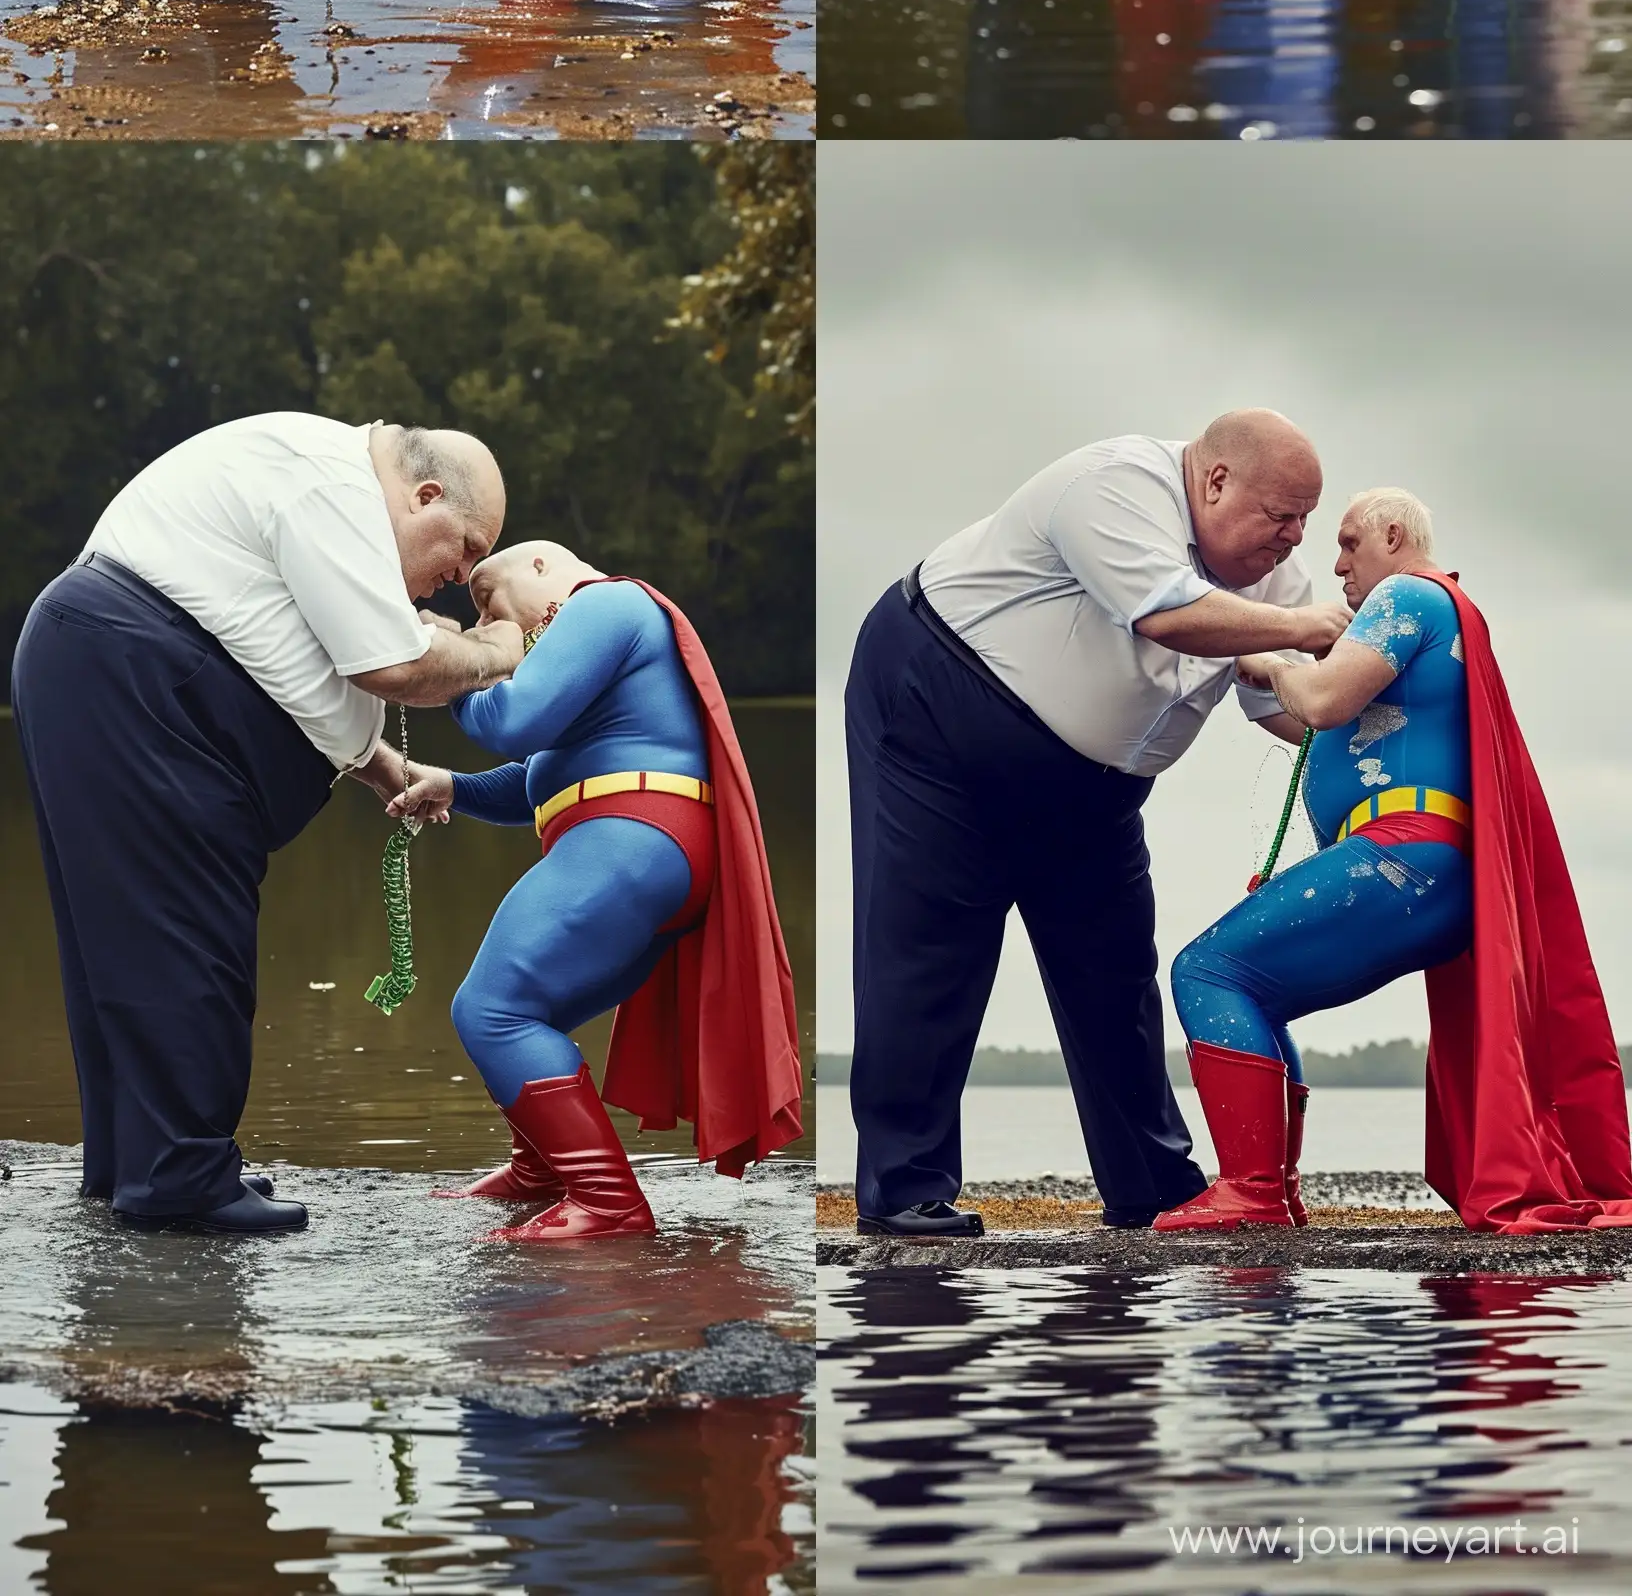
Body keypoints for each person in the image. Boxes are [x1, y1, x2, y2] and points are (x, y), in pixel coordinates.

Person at [844, 410, 1352, 1239]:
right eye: (1282, 515)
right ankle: (904, 1189)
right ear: (1215, 480)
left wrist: (1383, 718)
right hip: (940, 713)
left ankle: (1150, 1186)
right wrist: (1308, 630)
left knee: (1116, 974)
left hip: (1098, 785)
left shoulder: (1272, 577)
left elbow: (1284, 710)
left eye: (1307, 517)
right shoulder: (1113, 484)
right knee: (926, 952)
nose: (1297, 537)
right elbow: (1168, 613)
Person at [10, 414, 516, 1236]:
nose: (461, 575)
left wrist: (393, 772)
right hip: (134, 673)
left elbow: (288, 663)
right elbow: (396, 666)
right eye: (463, 545)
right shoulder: (337, 481)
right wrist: (502, 650)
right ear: (424, 496)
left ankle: (138, 1163)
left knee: (123, 942)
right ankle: (181, 1181)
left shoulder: (326, 484)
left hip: (114, 669)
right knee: (184, 936)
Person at [1158, 486, 1632, 1235]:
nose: (1338, 564)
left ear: (1391, 534)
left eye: (1349, 544)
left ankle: (1251, 1194)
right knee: (1255, 992)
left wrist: (1275, 660)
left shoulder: (1406, 592)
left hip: (1404, 852)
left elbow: (1318, 703)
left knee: (1209, 972)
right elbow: (1326, 729)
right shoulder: (1442, 616)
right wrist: (1257, 681)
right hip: (1433, 869)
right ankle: (1266, 1192)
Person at [391, 539, 803, 1239]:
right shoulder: (596, 650)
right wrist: (455, 788)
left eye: (490, 597)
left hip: (634, 837)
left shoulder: (603, 601)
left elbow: (514, 721)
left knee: (493, 1010)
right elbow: (537, 779)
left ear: (545, 571)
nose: (492, 620)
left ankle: (608, 1203)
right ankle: (543, 1170)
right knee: (528, 1012)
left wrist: (456, 663)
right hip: (645, 842)